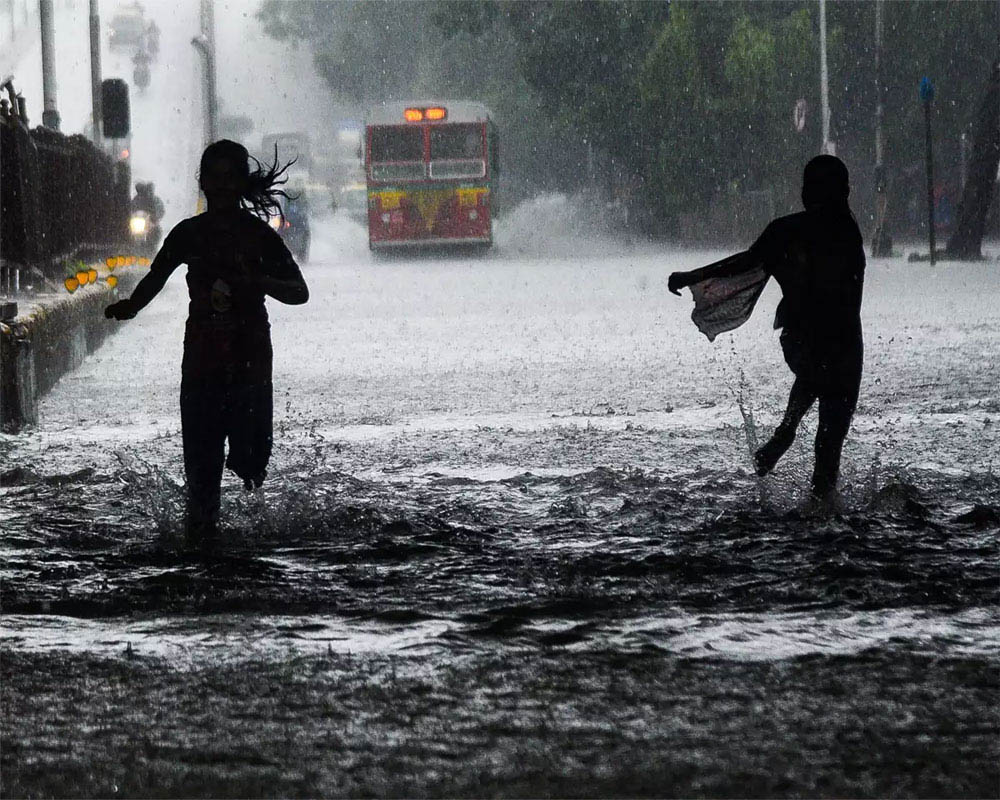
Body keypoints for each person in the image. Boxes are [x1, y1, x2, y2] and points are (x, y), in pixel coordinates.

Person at [106, 140, 309, 542]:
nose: (219, 187)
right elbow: (155, 277)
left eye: (228, 177)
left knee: (252, 464)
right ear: (202, 183)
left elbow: (299, 291)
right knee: (202, 470)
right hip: (201, 362)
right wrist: (131, 305)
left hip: (250, 360)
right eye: (212, 178)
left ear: (240, 183)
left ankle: (245, 534)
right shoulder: (188, 234)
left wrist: (260, 282)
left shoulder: (259, 237)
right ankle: (202, 543)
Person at [668, 155, 865, 504]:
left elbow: (744, 262)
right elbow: (745, 262)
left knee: (818, 378)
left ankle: (786, 431)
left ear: (808, 192)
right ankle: (821, 510)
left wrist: (691, 276)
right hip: (841, 349)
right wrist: (692, 276)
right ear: (844, 192)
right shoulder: (841, 233)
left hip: (811, 342)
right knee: (827, 449)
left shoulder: (790, 231)